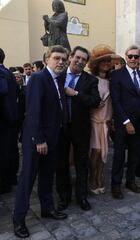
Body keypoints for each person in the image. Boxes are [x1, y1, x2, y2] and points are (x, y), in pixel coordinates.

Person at [13, 45, 68, 238]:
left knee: (47, 176)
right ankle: (19, 220)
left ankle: (47, 209)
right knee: (27, 180)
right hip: (37, 140)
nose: (60, 61)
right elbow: (33, 111)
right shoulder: (38, 78)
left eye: (63, 59)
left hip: (53, 138)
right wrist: (39, 139)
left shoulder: (58, 79)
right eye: (56, 58)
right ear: (46, 60)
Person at [56, 46, 101, 212]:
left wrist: (74, 93)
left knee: (82, 164)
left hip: (80, 128)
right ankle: (64, 197)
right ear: (70, 57)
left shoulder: (90, 80)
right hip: (60, 127)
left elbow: (95, 101)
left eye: (84, 59)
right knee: (61, 164)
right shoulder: (58, 76)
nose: (80, 61)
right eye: (78, 57)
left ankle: (81, 197)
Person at [110, 45, 140, 199]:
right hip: (122, 122)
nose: (133, 59)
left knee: (135, 154)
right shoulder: (116, 75)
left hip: (139, 122)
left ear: (139, 58)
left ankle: (130, 181)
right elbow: (116, 101)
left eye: (136, 57)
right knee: (119, 155)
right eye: (130, 56)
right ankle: (116, 185)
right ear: (126, 57)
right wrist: (126, 121)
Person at [88, 44, 120, 195]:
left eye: (108, 61)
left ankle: (100, 177)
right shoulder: (90, 80)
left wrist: (112, 119)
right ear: (97, 64)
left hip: (106, 121)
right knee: (96, 152)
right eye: (103, 61)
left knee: (103, 153)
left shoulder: (112, 80)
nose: (106, 63)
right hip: (94, 121)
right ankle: (92, 178)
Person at [0, 48, 18, 194]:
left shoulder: (2, 73)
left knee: (5, 152)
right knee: (10, 150)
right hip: (10, 119)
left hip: (4, 120)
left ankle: (5, 184)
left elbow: (3, 95)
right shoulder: (8, 72)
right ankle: (10, 179)